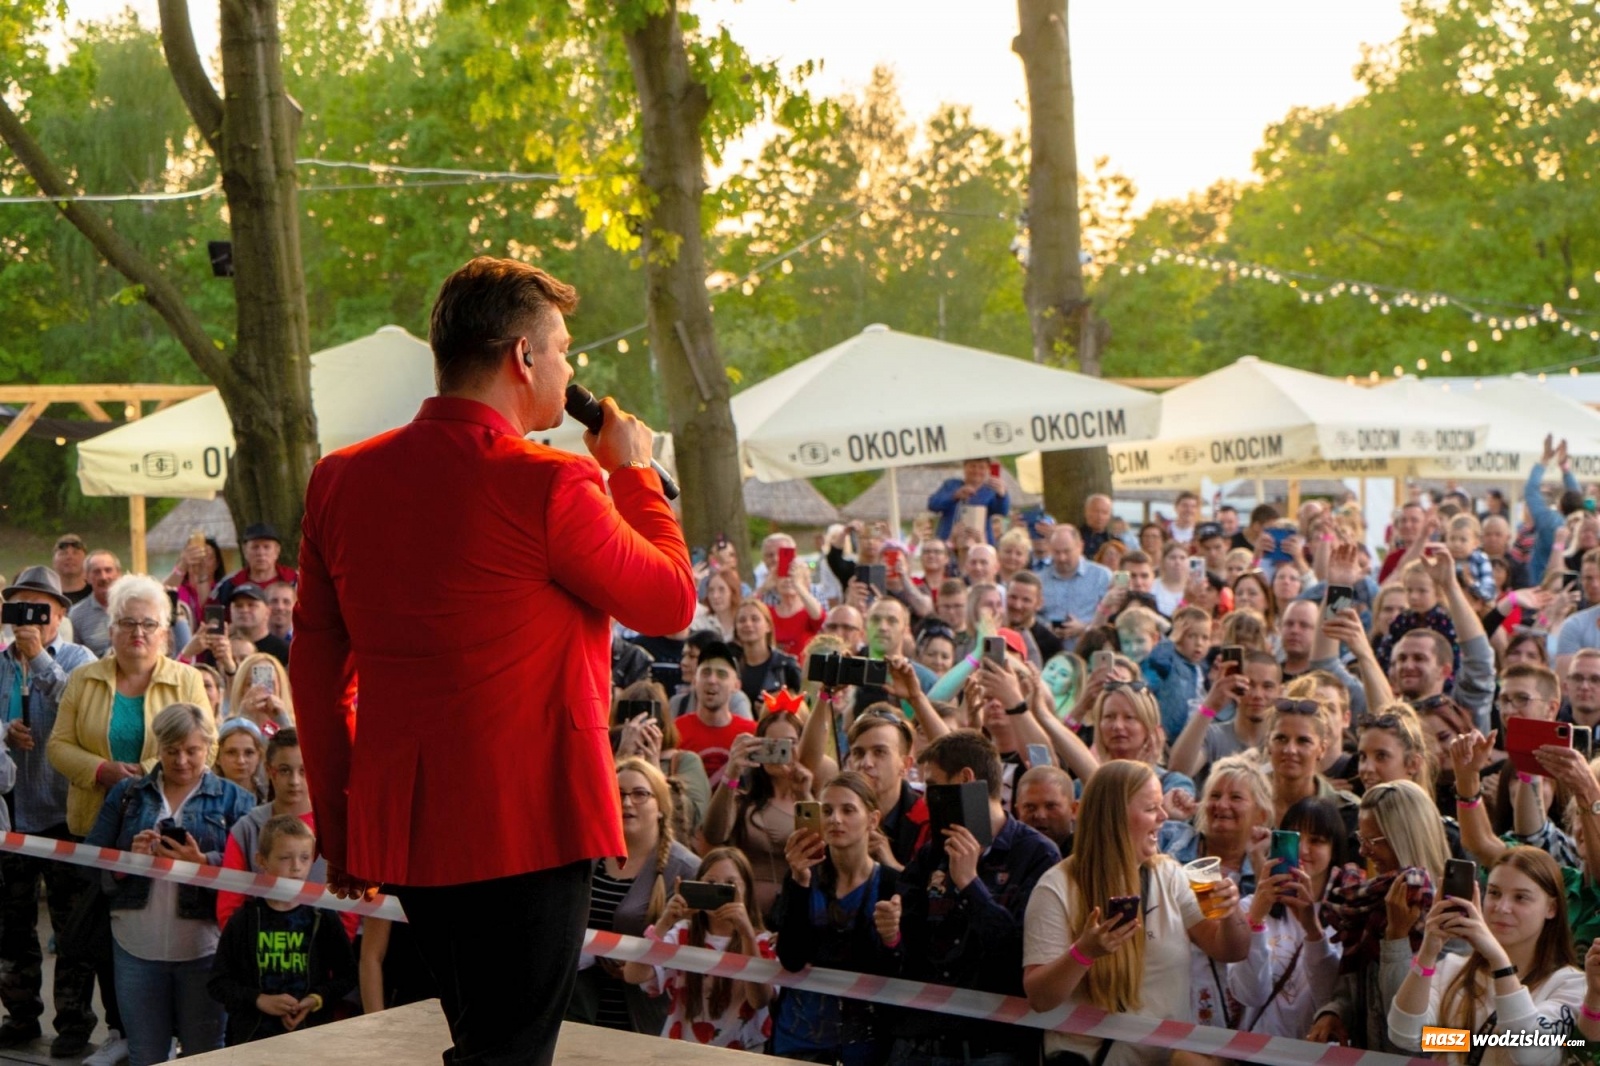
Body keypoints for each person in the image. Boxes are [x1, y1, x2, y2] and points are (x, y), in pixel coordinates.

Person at [292, 256, 696, 1066]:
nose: (571, 369)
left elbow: (315, 669)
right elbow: (670, 601)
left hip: (412, 830)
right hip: (534, 820)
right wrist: (636, 473)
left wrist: (344, 828)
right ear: (523, 358)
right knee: (508, 1053)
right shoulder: (554, 481)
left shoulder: (339, 479)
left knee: (486, 1040)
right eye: (565, 351)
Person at [1022, 760, 1251, 1066]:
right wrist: (1084, 953)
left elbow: (1230, 949)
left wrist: (1231, 911)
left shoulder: (1169, 875)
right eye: (1151, 808)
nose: (1164, 816)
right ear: (1115, 816)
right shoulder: (1058, 886)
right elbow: (1040, 997)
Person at [83, 703, 255, 1066]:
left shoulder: (237, 800)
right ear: (157, 747)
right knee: (146, 1054)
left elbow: (254, 872)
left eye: (191, 751)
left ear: (208, 746)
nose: (181, 760)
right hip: (134, 948)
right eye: (171, 750)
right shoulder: (127, 794)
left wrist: (204, 863)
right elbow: (89, 857)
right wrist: (128, 859)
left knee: (203, 1054)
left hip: (205, 949)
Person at [881, 731, 1060, 1066]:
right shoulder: (934, 849)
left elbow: (1018, 952)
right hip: (921, 1039)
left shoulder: (1037, 854)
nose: (925, 799)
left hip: (990, 1046)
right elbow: (910, 935)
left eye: (933, 786)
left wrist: (969, 884)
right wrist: (893, 931)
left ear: (964, 779)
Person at [0, 566, 98, 1058]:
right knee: (13, 927)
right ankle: (20, 1015)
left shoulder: (82, 658)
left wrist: (39, 659)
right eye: (20, 608)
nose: (31, 620)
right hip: (11, 818)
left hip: (65, 814)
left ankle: (75, 1022)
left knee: (72, 929)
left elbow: (82, 713)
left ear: (61, 613)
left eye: (42, 609)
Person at [1389, 848, 1582, 1062]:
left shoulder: (1570, 984)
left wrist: (1499, 961)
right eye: (1494, 893)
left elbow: (1531, 1053)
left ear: (1551, 908)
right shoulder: (1452, 968)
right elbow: (1406, 1035)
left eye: (1521, 898)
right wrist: (1427, 952)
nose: (1502, 907)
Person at [1309, 779, 1449, 1050]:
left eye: (1373, 841)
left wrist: (1396, 938)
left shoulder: (1447, 911)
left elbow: (1410, 1031)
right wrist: (1335, 1012)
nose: (1363, 851)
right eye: (1361, 839)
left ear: (1406, 837)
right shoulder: (1371, 899)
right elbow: (1354, 986)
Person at [774, 770, 901, 1065]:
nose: (835, 819)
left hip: (865, 1045)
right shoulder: (803, 876)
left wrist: (891, 937)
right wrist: (800, 882)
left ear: (873, 819)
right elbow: (791, 958)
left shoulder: (891, 884)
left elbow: (896, 971)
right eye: (827, 811)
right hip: (797, 1038)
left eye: (848, 810)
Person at [568, 758, 699, 1035]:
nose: (627, 803)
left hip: (645, 1018)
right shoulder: (587, 857)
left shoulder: (685, 868)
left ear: (661, 807)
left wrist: (639, 958)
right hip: (578, 1010)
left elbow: (696, 944)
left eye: (640, 794)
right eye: (618, 794)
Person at [206, 815, 356, 1045]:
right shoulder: (244, 920)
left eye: (305, 858)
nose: (296, 866)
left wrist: (316, 999)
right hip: (252, 1039)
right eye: (285, 858)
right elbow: (218, 983)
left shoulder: (323, 917)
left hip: (311, 1036)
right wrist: (258, 1000)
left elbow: (348, 975)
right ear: (262, 860)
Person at [621, 847, 776, 1049]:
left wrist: (746, 932)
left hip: (740, 1055)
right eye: (710, 883)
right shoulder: (682, 934)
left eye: (730, 884)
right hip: (681, 1050)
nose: (719, 889)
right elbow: (633, 975)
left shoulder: (762, 942)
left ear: (747, 890)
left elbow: (759, 1000)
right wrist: (664, 922)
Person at [1226, 796, 1349, 1039]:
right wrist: (1256, 919)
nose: (1303, 850)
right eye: (1294, 838)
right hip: (1254, 1053)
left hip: (1314, 1055)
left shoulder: (1345, 917)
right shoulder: (1251, 906)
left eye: (1316, 841)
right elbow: (1248, 994)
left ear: (1334, 850)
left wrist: (1313, 931)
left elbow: (1329, 998)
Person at [701, 712, 815, 918]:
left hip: (796, 912)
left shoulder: (811, 797)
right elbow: (714, 834)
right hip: (745, 912)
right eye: (771, 744)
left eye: (790, 743)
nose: (780, 751)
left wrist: (804, 795)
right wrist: (732, 771)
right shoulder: (742, 801)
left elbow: (818, 849)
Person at [675, 640, 759, 786]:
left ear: (736, 685)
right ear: (694, 681)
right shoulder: (676, 731)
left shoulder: (752, 734)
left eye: (722, 674)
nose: (712, 680)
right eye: (706, 673)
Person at [732, 600, 803, 708]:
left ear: (768, 626)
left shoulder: (786, 666)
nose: (748, 624)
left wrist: (770, 711)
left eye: (755, 619)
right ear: (736, 629)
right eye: (742, 620)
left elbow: (802, 708)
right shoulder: (731, 665)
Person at [208, 523, 297, 607]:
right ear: (245, 550)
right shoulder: (229, 584)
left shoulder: (296, 581)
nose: (261, 553)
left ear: (277, 551)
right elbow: (212, 615)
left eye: (266, 547)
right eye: (255, 547)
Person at [928, 459, 1009, 544]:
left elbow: (1003, 511)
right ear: (964, 467)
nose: (976, 471)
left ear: (988, 470)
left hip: (979, 542)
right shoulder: (951, 485)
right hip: (949, 540)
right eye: (972, 466)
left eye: (982, 467)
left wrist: (1002, 495)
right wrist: (955, 496)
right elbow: (933, 505)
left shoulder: (990, 490)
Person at [65, 550, 122, 658]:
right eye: (97, 572)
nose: (103, 577)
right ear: (86, 577)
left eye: (108, 570)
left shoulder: (134, 607)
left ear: (118, 574)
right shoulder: (76, 614)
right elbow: (75, 657)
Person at [221, 652, 294, 736]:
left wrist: (283, 722)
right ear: (241, 689)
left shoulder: (296, 724)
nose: (260, 690)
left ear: (280, 687)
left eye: (269, 683)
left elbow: (294, 747)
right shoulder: (228, 726)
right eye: (251, 684)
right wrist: (244, 719)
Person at [1014, 764, 1075, 854]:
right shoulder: (1007, 857)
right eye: (1030, 807)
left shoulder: (1088, 854)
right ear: (1018, 811)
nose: (1040, 816)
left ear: (1073, 809)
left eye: (1051, 806)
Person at [163, 537, 228, 619]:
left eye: (207, 557)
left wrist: (202, 575)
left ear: (217, 564)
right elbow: (161, 596)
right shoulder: (179, 588)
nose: (199, 560)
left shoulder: (222, 590)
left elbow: (208, 612)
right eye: (193, 555)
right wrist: (182, 564)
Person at [212, 718, 267, 803]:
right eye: (231, 753)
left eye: (249, 753)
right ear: (217, 757)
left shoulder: (269, 796)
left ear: (259, 756)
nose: (241, 761)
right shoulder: (205, 800)